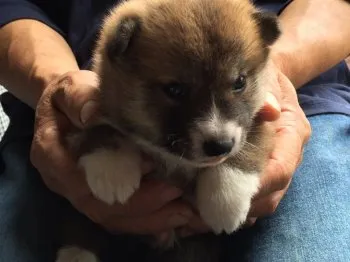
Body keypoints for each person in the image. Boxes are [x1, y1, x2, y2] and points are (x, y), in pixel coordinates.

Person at [0, 0, 349, 261]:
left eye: (238, 83)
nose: (218, 129)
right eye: (177, 93)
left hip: (302, 104)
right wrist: (58, 88)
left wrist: (277, 69)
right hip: (63, 107)